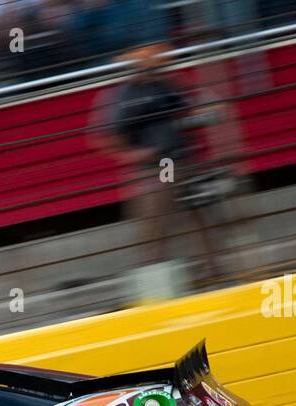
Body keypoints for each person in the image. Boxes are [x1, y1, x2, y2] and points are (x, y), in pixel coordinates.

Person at [92, 42, 223, 286]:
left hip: (183, 159)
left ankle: (212, 269)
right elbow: (106, 138)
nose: (156, 66)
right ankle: (157, 280)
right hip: (154, 167)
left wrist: (208, 112)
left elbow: (189, 112)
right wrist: (136, 155)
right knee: (155, 225)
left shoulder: (166, 85)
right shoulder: (121, 97)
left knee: (201, 214)